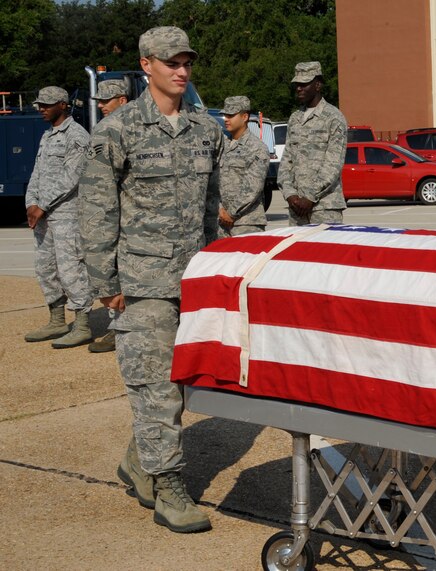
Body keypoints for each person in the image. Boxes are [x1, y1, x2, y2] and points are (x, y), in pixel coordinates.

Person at [79, 26, 224, 533]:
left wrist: (213, 272)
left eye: (186, 61)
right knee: (156, 387)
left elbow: (211, 211)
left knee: (183, 383)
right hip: (141, 283)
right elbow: (96, 211)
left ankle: (141, 459)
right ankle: (168, 487)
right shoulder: (117, 131)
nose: (181, 70)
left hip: (192, 279)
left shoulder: (207, 130)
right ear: (146, 65)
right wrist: (105, 280)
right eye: (170, 62)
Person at [23, 86, 94, 349]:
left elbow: (72, 178)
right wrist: (31, 201)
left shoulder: (77, 136)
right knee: (45, 268)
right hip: (44, 217)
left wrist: (41, 204)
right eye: (40, 104)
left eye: (48, 104)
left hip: (66, 215)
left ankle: (83, 324)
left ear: (63, 105)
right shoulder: (48, 136)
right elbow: (37, 172)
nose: (42, 108)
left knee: (71, 270)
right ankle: (56, 320)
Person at [88, 79, 130, 354]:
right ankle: (118, 328)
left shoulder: (129, 130)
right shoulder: (103, 131)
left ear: (122, 100)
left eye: (106, 100)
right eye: (99, 101)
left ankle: (121, 329)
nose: (101, 105)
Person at [278, 61, 347, 225]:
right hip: (297, 208)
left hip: (324, 207)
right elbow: (287, 161)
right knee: (298, 251)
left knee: (327, 252)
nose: (299, 88)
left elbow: (333, 164)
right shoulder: (295, 118)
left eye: (304, 84)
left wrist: (309, 196)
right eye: (297, 84)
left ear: (318, 85)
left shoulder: (333, 117)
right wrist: (289, 194)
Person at [218, 96, 270, 236]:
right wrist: (219, 210)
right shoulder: (221, 145)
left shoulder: (257, 148)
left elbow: (253, 187)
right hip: (221, 222)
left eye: (231, 115)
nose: (226, 119)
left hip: (247, 223)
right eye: (225, 115)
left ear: (244, 116)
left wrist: (231, 213)